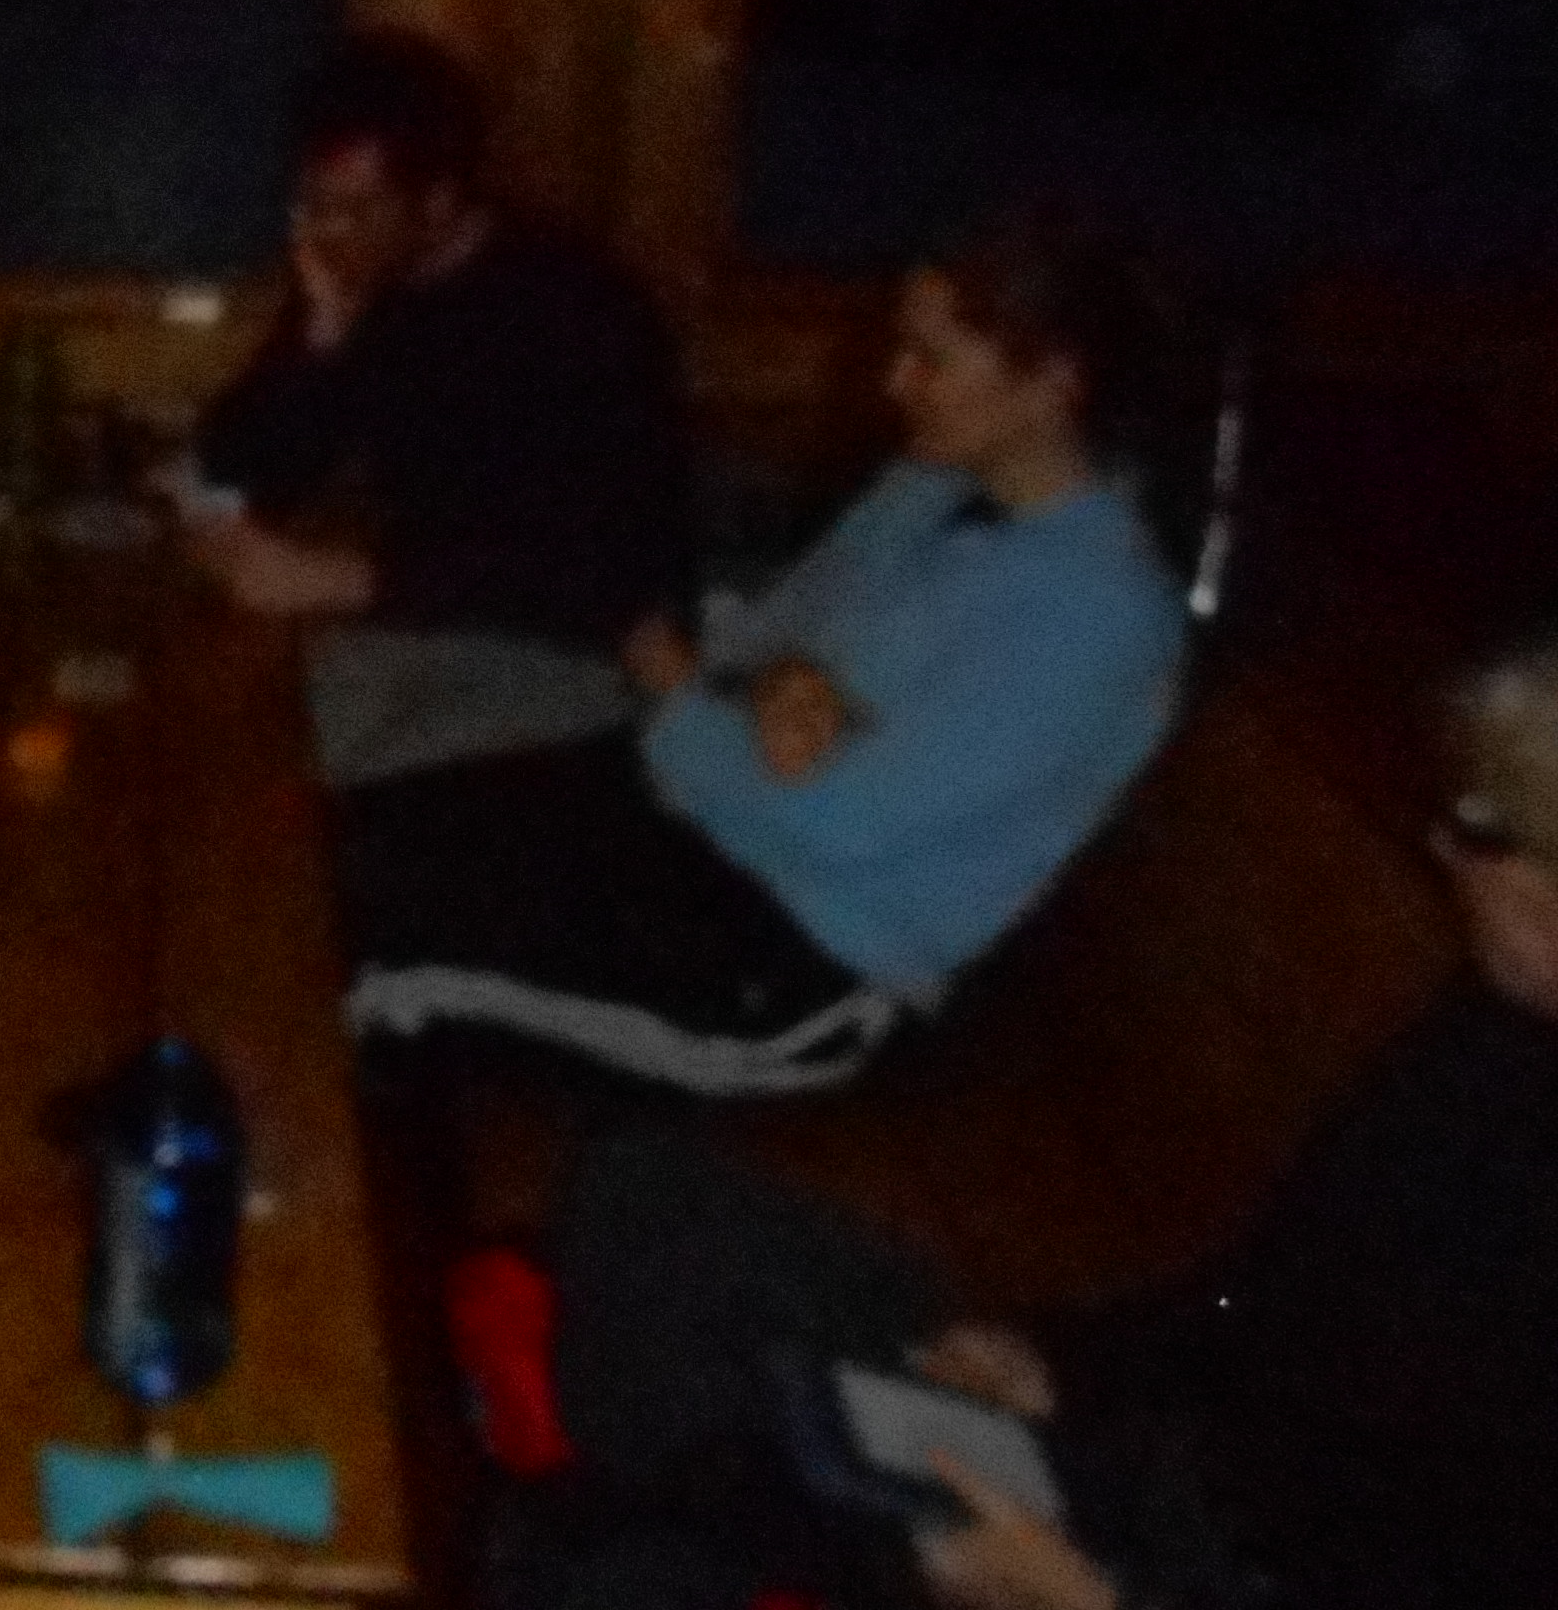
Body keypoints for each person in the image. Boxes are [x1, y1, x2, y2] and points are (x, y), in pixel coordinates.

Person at [489, 632, 1558, 1610]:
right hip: (1146, 1470)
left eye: (1484, 822)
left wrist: (1084, 1599)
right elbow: (1253, 1295)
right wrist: (1053, 1363)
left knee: (628, 1570)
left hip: (1191, 1581)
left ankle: (698, 1521)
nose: (1447, 843)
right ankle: (729, 1508)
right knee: (650, 1198)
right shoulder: (1485, 1041)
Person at [342, 207, 1186, 1096]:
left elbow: (843, 823)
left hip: (788, 960)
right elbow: (778, 636)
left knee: (373, 969)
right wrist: (783, 681)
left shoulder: (1100, 613)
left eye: (931, 358)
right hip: (688, 823)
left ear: (1053, 384)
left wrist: (682, 695)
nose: (896, 381)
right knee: (355, 840)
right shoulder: (931, 487)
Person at [188, 32, 691, 773]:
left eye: (355, 209)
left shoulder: (574, 310)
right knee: (209, 698)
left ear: (438, 202)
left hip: (577, 655)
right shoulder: (362, 281)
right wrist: (318, 343)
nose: (325, 231)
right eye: (311, 204)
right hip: (425, 625)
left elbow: (597, 567)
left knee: (276, 749)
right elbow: (235, 470)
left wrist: (346, 579)